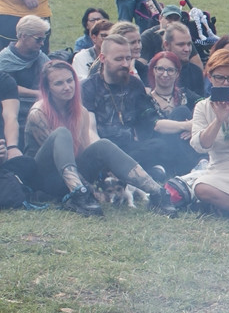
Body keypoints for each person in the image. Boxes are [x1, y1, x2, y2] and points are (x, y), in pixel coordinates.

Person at [23, 61, 176, 216]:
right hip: (45, 178)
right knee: (62, 133)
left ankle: (158, 193)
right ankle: (79, 195)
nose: (67, 87)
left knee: (102, 145)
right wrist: (90, 190)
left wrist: (102, 176)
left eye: (70, 81)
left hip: (74, 176)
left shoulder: (81, 112)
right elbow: (55, 162)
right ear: (48, 88)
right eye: (59, 83)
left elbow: (84, 153)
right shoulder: (38, 113)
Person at [81, 34, 196, 178]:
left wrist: (188, 126)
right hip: (102, 149)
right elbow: (90, 130)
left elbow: (148, 123)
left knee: (161, 144)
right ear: (103, 58)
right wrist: (105, 156)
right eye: (119, 59)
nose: (125, 64)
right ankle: (129, 171)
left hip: (130, 149)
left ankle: (133, 172)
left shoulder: (134, 85)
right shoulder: (88, 87)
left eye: (128, 58)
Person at [190, 50, 229, 214]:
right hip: (220, 170)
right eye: (220, 78)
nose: (226, 83)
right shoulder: (203, 107)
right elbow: (200, 146)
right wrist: (218, 120)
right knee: (201, 188)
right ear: (210, 77)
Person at [0, 15, 49, 135]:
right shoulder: (5, 59)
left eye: (44, 39)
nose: (42, 43)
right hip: (13, 108)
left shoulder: (40, 57)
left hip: (40, 105)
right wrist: (36, 94)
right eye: (38, 39)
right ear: (23, 36)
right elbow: (7, 87)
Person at [147, 50, 201, 121]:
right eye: (160, 69)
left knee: (182, 111)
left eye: (170, 70)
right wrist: (188, 125)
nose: (165, 74)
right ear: (153, 71)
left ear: (177, 73)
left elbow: (205, 104)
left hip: (188, 131)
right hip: (157, 131)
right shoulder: (147, 100)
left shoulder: (185, 94)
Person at [162, 22, 204, 94]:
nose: (187, 49)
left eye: (189, 44)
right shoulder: (155, 70)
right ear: (166, 45)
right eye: (181, 45)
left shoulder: (196, 72)